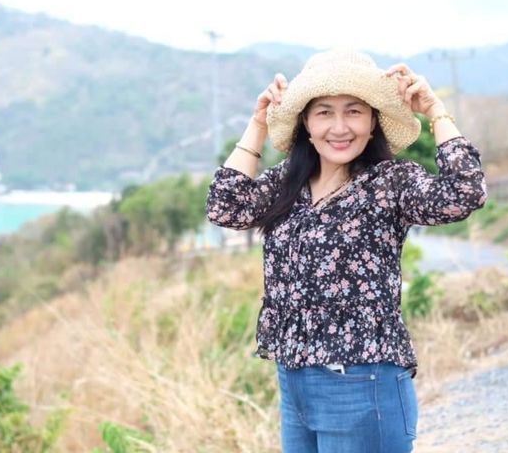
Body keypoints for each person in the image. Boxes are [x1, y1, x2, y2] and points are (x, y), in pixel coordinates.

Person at [205, 47, 487, 453]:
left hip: (362, 383)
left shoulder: (390, 182)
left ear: (373, 122)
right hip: (295, 382)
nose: (339, 127)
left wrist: (435, 111)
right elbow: (225, 206)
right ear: (306, 123)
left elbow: (464, 193)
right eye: (324, 113)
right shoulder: (288, 183)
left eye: (354, 111)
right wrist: (258, 122)